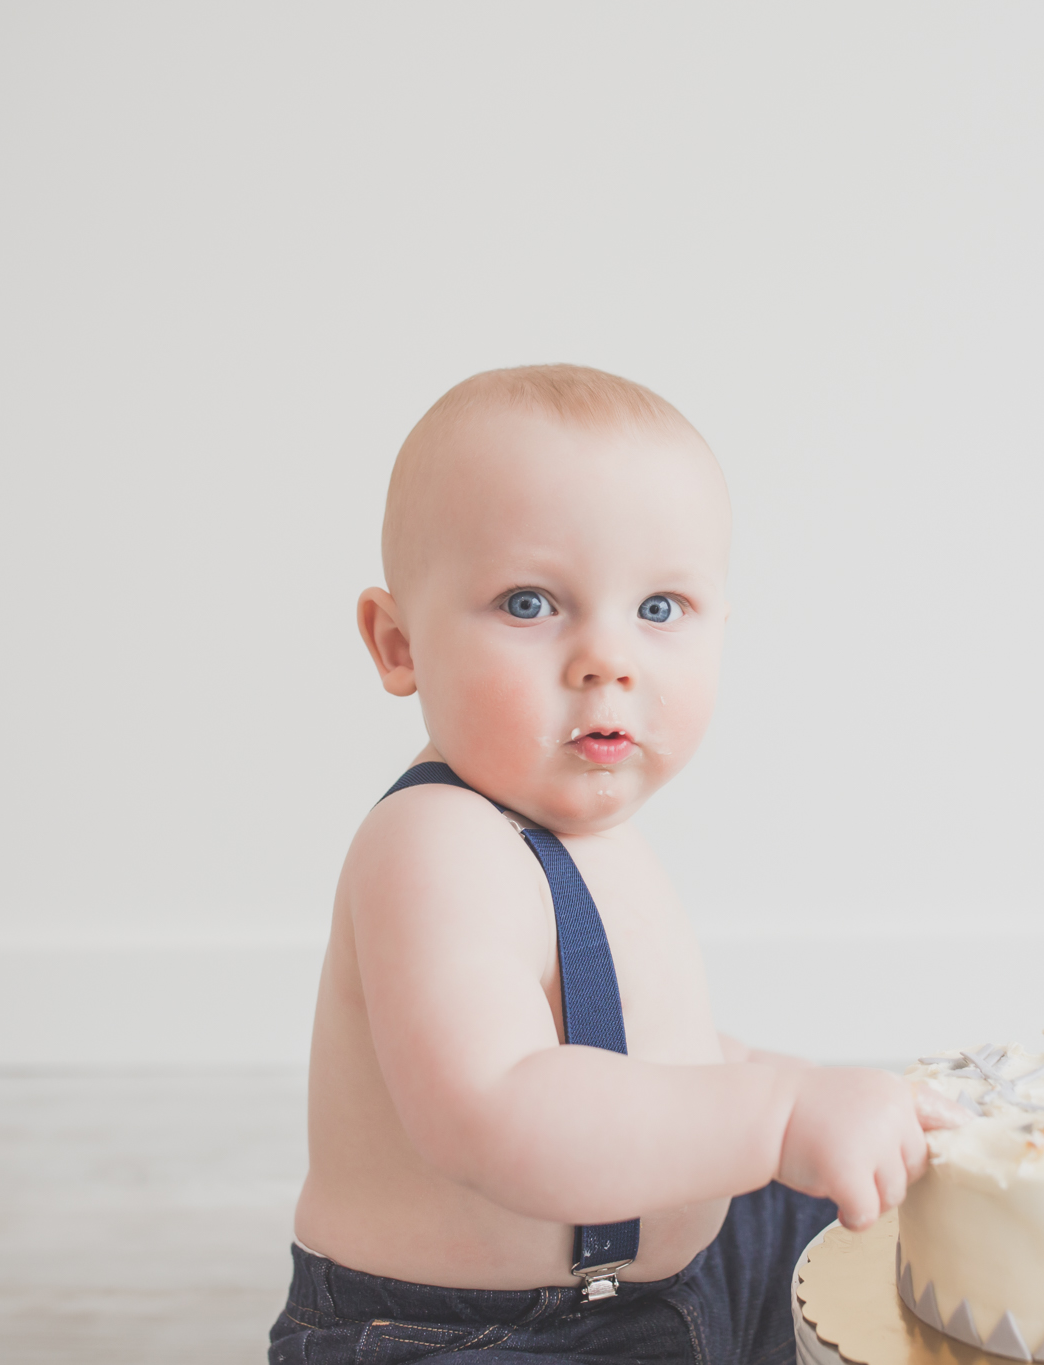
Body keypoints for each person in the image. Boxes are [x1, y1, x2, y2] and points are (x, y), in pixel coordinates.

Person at [271, 364, 947, 1365]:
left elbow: (663, 1059)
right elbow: (497, 1109)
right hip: (483, 1335)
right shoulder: (430, 845)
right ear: (398, 642)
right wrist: (779, 1115)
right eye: (530, 601)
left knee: (903, 1224)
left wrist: (799, 1085)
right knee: (810, 1177)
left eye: (660, 609)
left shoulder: (600, 838)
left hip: (692, 1275)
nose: (606, 659)